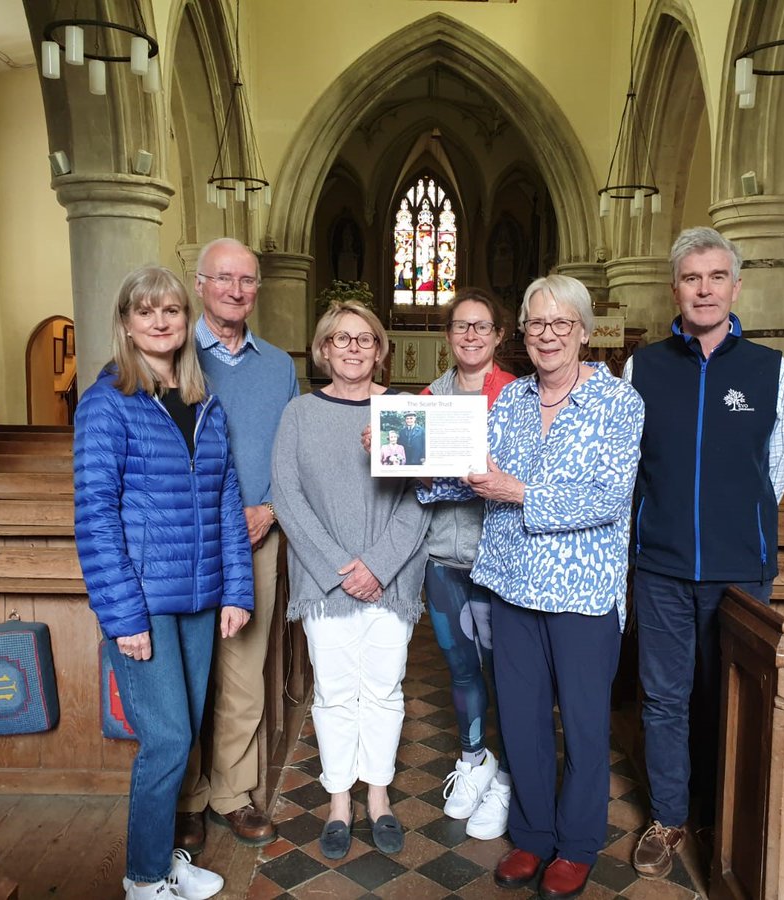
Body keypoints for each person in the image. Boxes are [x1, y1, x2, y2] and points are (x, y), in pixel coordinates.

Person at [420, 275, 644, 899]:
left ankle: (576, 845)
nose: (547, 335)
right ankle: (534, 836)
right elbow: (472, 479)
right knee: (520, 721)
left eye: (561, 323)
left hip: (581, 591)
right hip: (511, 584)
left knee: (583, 723)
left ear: (584, 331)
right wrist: (403, 459)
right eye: (536, 324)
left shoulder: (618, 403)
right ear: (523, 332)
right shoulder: (511, 399)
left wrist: (521, 493)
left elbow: (609, 499)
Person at [73, 266, 254, 900]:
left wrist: (237, 589)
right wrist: (123, 618)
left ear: (185, 320)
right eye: (145, 311)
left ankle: (160, 857)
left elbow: (227, 500)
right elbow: (94, 516)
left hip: (201, 598)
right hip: (144, 603)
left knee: (185, 735)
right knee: (168, 738)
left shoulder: (204, 401)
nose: (160, 321)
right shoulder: (106, 402)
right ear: (125, 322)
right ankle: (144, 877)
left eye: (171, 310)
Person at [626, 227, 784, 879]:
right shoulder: (643, 366)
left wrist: (737, 523)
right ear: (675, 288)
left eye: (716, 276)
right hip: (664, 566)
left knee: (728, 697)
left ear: (736, 285)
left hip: (739, 573)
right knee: (665, 697)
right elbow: (629, 463)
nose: (704, 289)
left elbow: (777, 464)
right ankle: (670, 816)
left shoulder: (769, 369)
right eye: (692, 278)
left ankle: (723, 818)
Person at [271, 300, 430, 861]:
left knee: (384, 689)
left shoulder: (405, 411)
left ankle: (379, 798)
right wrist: (342, 569)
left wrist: (378, 566)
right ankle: (339, 801)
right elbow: (287, 497)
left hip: (393, 577)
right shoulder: (298, 414)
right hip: (325, 580)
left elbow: (420, 498)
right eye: (341, 339)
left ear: (381, 350)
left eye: (365, 339)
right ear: (323, 349)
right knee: (336, 693)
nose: (353, 348)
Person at [176, 238, 299, 851]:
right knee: (192, 677)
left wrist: (271, 508)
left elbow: (291, 453)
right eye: (223, 278)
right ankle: (187, 798)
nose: (235, 290)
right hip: (188, 545)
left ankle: (230, 793)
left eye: (247, 280)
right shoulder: (171, 357)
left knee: (245, 674)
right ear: (199, 284)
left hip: (257, 537)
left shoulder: (278, 366)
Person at [420, 289, 517, 840]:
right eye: (461, 326)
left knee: (507, 671)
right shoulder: (429, 396)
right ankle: (474, 759)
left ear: (500, 335)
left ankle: (507, 772)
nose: (472, 336)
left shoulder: (518, 397)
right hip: (442, 558)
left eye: (483, 327)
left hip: (500, 558)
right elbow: (410, 482)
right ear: (449, 334)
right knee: (461, 667)